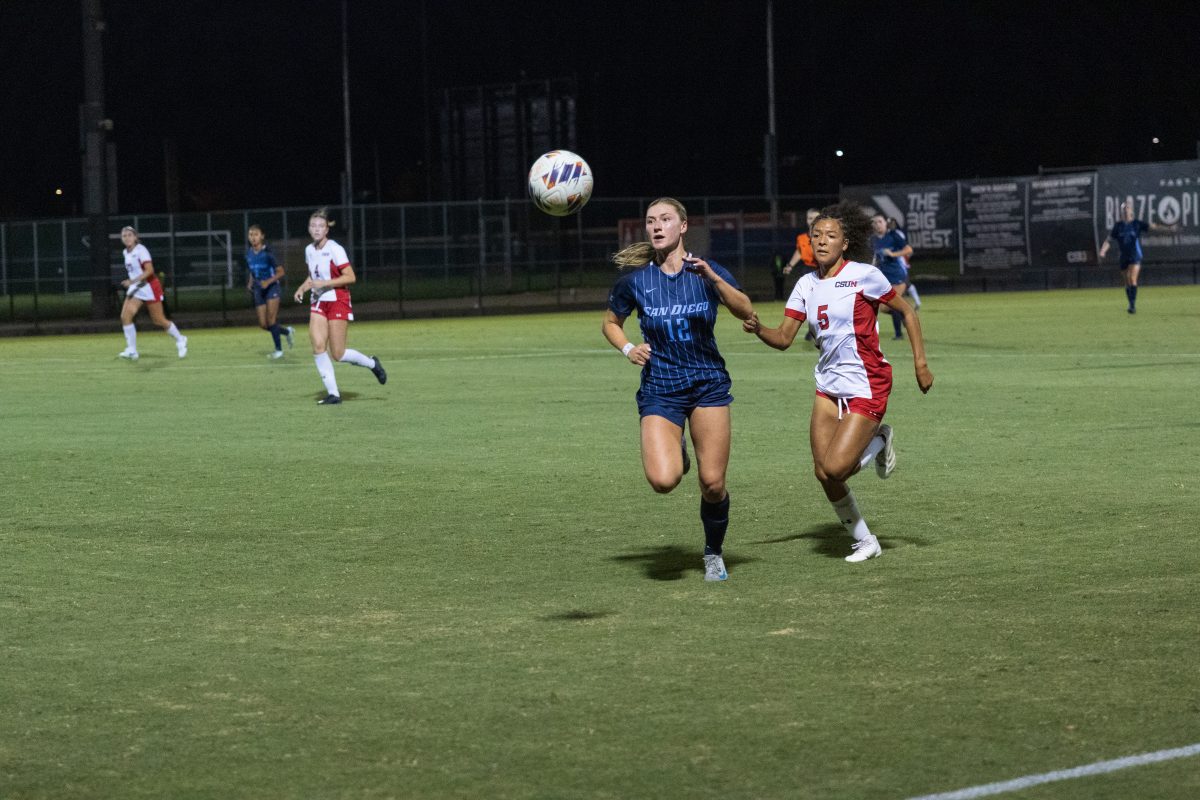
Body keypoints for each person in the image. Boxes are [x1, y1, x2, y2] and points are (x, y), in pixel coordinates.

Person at [743, 201, 933, 563]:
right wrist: (758, 329)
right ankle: (865, 540)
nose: (822, 241)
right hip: (828, 385)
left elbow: (907, 312)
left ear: (845, 243)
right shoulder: (805, 285)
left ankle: (880, 437)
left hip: (866, 382)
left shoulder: (864, 275)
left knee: (837, 468)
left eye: (831, 236)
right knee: (823, 473)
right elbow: (784, 338)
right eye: (817, 235)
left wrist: (920, 363)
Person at [602, 197, 755, 581]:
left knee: (713, 484)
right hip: (661, 389)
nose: (656, 226)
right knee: (664, 481)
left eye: (665, 219)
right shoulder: (635, 282)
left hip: (707, 385)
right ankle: (678, 451)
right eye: (651, 220)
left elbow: (746, 310)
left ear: (683, 227)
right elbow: (610, 322)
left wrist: (714, 279)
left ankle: (713, 553)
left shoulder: (706, 272)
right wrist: (627, 347)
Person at [292, 208, 387, 404]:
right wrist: (302, 287)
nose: (316, 229)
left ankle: (371, 363)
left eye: (320, 226)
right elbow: (313, 276)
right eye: (313, 226)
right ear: (309, 229)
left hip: (338, 300)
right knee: (318, 346)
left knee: (338, 353)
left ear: (327, 230)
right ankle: (334, 394)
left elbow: (350, 277)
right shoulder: (309, 250)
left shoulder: (335, 248)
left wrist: (324, 283)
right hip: (318, 301)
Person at [116, 226, 188, 361]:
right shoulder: (125, 252)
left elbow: (149, 271)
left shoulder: (141, 250)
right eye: (124, 235)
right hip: (137, 287)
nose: (127, 237)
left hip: (149, 286)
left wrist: (132, 281)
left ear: (136, 237)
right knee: (125, 316)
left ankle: (180, 339)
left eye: (130, 235)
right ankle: (132, 351)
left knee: (158, 320)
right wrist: (134, 283)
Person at [1098, 201, 1176, 314]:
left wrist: (1168, 229)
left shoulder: (1136, 224)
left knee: (1132, 278)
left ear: (1131, 211)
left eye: (1128, 208)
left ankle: (1132, 305)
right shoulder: (1118, 226)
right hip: (1123, 256)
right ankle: (1130, 302)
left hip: (1135, 255)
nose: (1126, 210)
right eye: (1124, 208)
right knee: (1127, 282)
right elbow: (1109, 240)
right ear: (1121, 211)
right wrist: (1103, 251)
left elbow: (1153, 227)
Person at [245, 224, 295, 359]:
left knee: (271, 321)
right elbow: (252, 270)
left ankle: (278, 350)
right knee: (263, 324)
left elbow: (281, 272)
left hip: (272, 288)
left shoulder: (268, 253)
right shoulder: (249, 253)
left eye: (256, 234)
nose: (253, 237)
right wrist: (250, 282)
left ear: (262, 236)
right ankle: (286, 332)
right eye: (251, 234)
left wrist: (268, 281)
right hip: (258, 289)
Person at [870, 213, 913, 340]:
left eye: (880, 221)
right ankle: (906, 313)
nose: (877, 224)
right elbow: (874, 257)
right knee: (883, 308)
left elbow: (909, 250)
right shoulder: (873, 239)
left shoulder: (893, 236)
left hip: (898, 275)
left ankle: (898, 334)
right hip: (884, 278)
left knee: (893, 304)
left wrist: (893, 254)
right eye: (875, 222)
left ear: (885, 223)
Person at [785, 208, 822, 343]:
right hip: (807, 271)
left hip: (822, 270)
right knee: (807, 302)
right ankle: (813, 329)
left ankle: (817, 329)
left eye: (815, 218)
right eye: (809, 218)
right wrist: (790, 265)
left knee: (821, 301)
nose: (811, 221)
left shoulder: (825, 236)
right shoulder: (802, 238)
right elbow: (799, 252)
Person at [888, 217, 921, 310]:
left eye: (893, 223)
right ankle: (914, 302)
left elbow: (905, 248)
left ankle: (913, 303)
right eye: (890, 223)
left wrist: (901, 256)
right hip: (891, 263)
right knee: (905, 284)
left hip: (899, 262)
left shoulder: (898, 234)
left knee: (906, 283)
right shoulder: (887, 234)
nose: (891, 225)